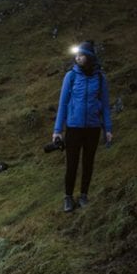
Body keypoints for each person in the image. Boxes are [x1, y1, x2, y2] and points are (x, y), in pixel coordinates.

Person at [53, 41, 113, 212]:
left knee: (88, 163)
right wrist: (57, 131)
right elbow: (63, 104)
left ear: (89, 57)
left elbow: (106, 106)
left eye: (81, 55)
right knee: (71, 164)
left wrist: (107, 129)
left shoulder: (100, 78)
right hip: (74, 128)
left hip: (93, 129)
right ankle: (68, 197)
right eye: (76, 55)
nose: (77, 58)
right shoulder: (70, 76)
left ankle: (84, 195)